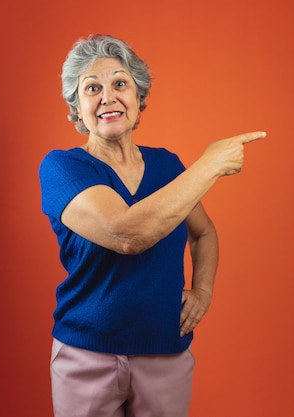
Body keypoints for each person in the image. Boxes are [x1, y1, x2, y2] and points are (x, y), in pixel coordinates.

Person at [39, 34, 265, 417]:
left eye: (120, 83)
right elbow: (127, 234)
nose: (108, 96)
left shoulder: (167, 167)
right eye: (92, 88)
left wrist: (203, 291)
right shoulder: (63, 167)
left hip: (166, 352)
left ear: (138, 99)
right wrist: (209, 164)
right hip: (86, 356)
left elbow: (204, 232)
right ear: (77, 109)